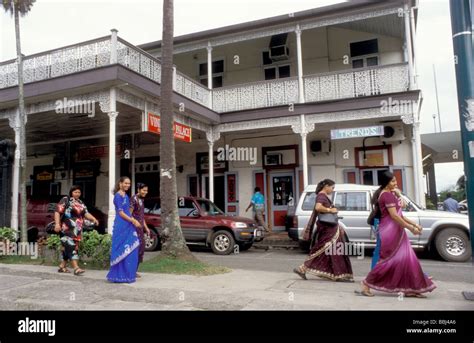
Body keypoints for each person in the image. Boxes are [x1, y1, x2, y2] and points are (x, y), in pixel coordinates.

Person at [358, 171, 436, 297]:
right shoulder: (386, 196)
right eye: (393, 181)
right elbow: (394, 216)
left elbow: (400, 214)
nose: (396, 183)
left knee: (407, 260)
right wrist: (411, 228)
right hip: (390, 232)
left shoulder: (390, 194)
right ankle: (366, 285)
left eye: (395, 180)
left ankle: (411, 288)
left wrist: (414, 224)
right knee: (387, 261)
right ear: (386, 183)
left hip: (397, 230)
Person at [293, 179, 354, 282]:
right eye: (332, 187)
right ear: (326, 186)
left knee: (333, 251)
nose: (332, 190)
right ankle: (302, 268)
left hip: (331, 227)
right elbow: (318, 207)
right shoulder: (321, 196)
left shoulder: (324, 196)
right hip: (328, 228)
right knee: (323, 248)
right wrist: (330, 210)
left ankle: (339, 274)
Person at [54, 185, 99, 276]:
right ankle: (76, 268)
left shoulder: (81, 202)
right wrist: (57, 224)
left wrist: (93, 218)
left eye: (79, 192)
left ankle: (62, 266)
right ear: (71, 192)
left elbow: (86, 213)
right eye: (75, 192)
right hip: (66, 228)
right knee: (71, 247)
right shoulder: (66, 200)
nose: (77, 194)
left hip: (77, 230)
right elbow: (57, 212)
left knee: (71, 247)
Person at [107, 177, 141, 283]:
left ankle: (128, 273)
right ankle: (119, 275)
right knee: (122, 248)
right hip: (121, 224)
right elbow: (121, 213)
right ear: (120, 183)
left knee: (132, 247)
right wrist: (133, 221)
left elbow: (127, 211)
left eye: (129, 183)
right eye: (125, 183)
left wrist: (133, 219)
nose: (127, 185)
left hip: (128, 224)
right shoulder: (117, 196)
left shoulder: (125, 195)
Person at [130, 183, 151, 277]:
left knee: (141, 249)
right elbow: (129, 214)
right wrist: (134, 222)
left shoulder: (142, 200)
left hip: (140, 229)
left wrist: (146, 227)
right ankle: (131, 271)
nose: (145, 192)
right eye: (144, 190)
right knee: (134, 249)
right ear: (138, 189)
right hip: (133, 229)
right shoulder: (133, 199)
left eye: (146, 190)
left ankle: (134, 271)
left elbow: (141, 216)